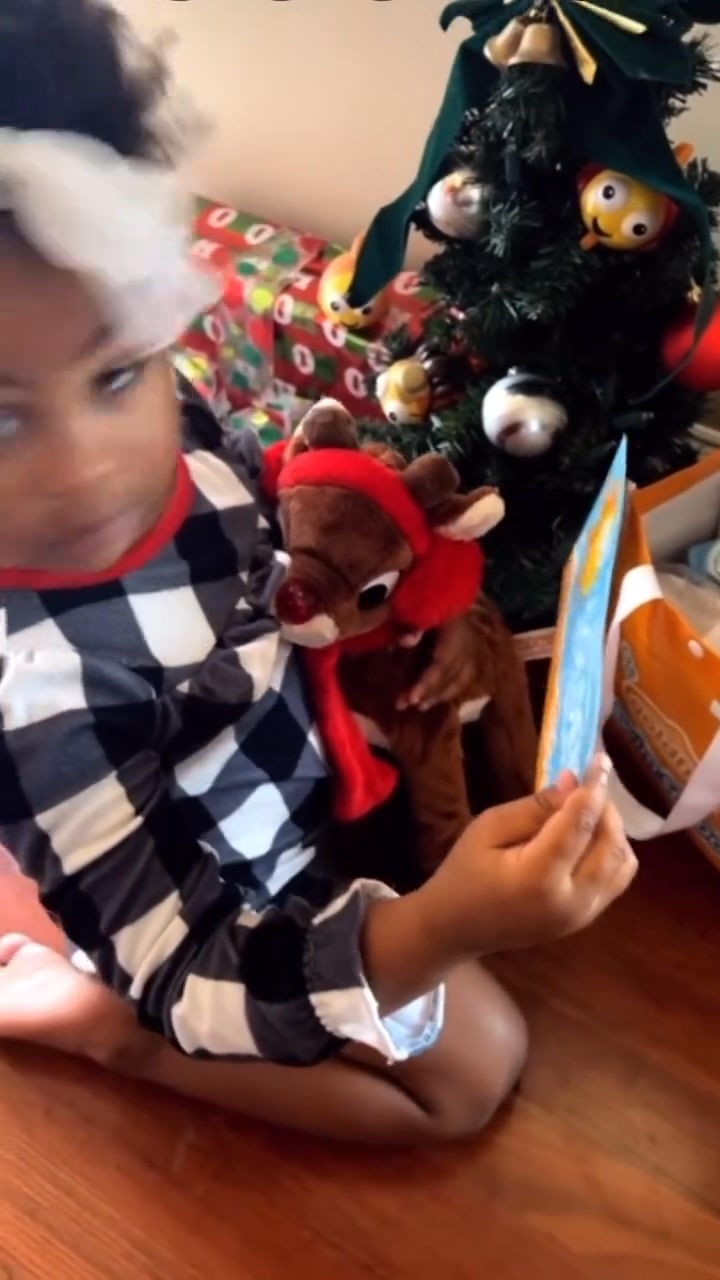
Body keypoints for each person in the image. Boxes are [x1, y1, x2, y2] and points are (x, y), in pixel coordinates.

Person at [0, 0, 637, 1145]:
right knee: (470, 1078)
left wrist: (421, 625)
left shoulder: (190, 429)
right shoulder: (42, 694)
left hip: (319, 774)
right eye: (2, 420)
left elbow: (298, 561)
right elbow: (192, 963)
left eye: (112, 373)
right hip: (223, 912)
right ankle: (98, 1027)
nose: (88, 463)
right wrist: (437, 927)